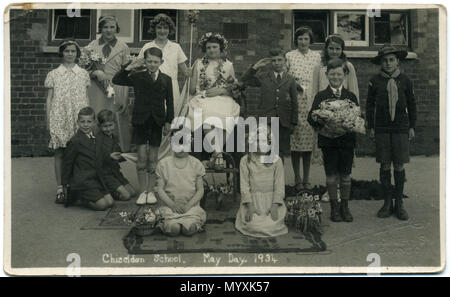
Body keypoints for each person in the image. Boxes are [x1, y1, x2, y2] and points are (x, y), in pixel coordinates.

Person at [112, 47, 174, 206]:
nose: (152, 64)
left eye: (156, 62)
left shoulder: (166, 79)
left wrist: (168, 122)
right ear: (144, 61)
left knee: (153, 158)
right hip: (140, 121)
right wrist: (129, 67)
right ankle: (142, 192)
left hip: (156, 122)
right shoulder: (137, 76)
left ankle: (151, 191)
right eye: (149, 61)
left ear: (161, 62)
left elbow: (170, 103)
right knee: (141, 159)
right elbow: (117, 79)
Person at [366, 44, 416, 221]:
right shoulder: (375, 81)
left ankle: (399, 203)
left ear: (398, 61)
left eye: (391, 60)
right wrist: (370, 127)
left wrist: (412, 127)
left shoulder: (405, 80)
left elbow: (412, 104)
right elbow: (369, 105)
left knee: (399, 164)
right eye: (384, 61)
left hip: (401, 127)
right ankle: (387, 202)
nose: (388, 63)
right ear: (380, 63)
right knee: (385, 164)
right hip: (382, 128)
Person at [308, 58, 359, 223]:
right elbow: (311, 118)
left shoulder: (350, 96)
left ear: (344, 75)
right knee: (330, 176)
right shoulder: (321, 96)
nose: (336, 77)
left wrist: (352, 121)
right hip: (328, 142)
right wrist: (319, 119)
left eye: (339, 74)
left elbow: (358, 117)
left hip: (346, 142)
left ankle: (345, 206)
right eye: (332, 74)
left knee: (345, 176)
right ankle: (334, 207)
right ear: (327, 75)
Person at [45, 39, 90, 204]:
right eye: (67, 51)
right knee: (60, 153)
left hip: (78, 118)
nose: (70, 54)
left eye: (73, 51)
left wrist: (88, 118)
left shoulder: (83, 74)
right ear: (61, 53)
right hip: (60, 116)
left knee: (78, 152)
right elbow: (49, 99)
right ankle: (60, 189)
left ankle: (75, 187)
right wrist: (49, 120)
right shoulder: (53, 75)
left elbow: (86, 98)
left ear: (77, 54)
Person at [187, 32, 240, 168]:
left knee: (226, 112)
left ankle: (217, 154)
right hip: (203, 97)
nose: (212, 50)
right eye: (209, 47)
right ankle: (219, 154)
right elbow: (192, 90)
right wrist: (190, 75)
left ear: (221, 49)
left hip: (223, 97)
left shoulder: (228, 65)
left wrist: (222, 90)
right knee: (206, 112)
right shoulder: (198, 64)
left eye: (215, 47)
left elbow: (234, 88)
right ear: (205, 49)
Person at [240, 48, 298, 161]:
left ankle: (278, 176)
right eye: (273, 60)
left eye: (279, 60)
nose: (277, 63)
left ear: (285, 61)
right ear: (270, 62)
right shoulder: (264, 77)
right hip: (267, 119)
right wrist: (255, 67)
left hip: (283, 120)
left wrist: (293, 122)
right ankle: (266, 176)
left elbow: (294, 102)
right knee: (266, 149)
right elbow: (243, 80)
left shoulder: (290, 79)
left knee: (280, 152)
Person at [87, 15, 132, 152]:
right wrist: (95, 73)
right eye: (105, 27)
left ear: (116, 28)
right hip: (96, 88)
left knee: (115, 117)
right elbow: (84, 71)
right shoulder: (91, 47)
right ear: (100, 28)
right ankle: (94, 148)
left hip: (116, 87)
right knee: (97, 115)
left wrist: (125, 95)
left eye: (112, 27)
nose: (108, 30)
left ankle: (116, 149)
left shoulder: (123, 47)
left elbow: (127, 73)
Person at [286, 26, 322, 191]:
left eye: (306, 39)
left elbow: (320, 77)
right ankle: (297, 177)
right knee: (296, 142)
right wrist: (294, 86)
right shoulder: (289, 56)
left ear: (310, 40)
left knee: (308, 143)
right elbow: (286, 76)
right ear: (296, 40)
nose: (303, 42)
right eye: (300, 38)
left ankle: (307, 178)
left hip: (311, 99)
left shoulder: (317, 56)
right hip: (295, 99)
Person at [235, 126, 288, 238]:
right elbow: (244, 186)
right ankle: (253, 221)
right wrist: (250, 206)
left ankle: (270, 222)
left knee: (272, 225)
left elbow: (279, 185)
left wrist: (274, 206)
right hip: (253, 202)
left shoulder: (277, 160)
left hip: (271, 201)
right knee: (253, 225)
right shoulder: (245, 160)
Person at [61, 107, 115, 211]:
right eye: (82, 122)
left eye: (89, 122)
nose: (86, 125)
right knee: (102, 205)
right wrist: (64, 184)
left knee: (111, 202)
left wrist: (110, 156)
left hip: (95, 179)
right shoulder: (75, 141)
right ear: (78, 122)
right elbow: (67, 164)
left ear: (94, 123)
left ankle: (92, 195)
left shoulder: (96, 138)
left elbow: (99, 156)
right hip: (83, 181)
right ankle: (80, 197)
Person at [155, 128, 206, 236]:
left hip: (190, 207)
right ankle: (171, 224)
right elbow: (160, 189)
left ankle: (192, 223)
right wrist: (172, 205)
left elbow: (200, 190)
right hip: (170, 207)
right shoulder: (164, 164)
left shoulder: (196, 163)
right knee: (174, 229)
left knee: (189, 229)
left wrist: (189, 205)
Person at [138, 13, 190, 117]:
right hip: (152, 87)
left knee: (170, 119)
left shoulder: (176, 47)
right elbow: (139, 68)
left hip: (171, 88)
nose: (162, 31)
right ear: (154, 29)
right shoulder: (147, 46)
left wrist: (196, 68)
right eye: (159, 27)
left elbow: (186, 72)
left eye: (165, 27)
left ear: (170, 29)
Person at [97, 109, 136, 201]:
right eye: (105, 126)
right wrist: (109, 156)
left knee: (132, 192)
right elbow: (96, 157)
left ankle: (114, 189)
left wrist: (128, 155)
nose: (108, 129)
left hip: (115, 172)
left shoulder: (114, 137)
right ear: (99, 126)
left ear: (114, 124)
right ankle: (108, 191)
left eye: (110, 125)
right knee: (126, 196)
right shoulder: (98, 139)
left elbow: (119, 155)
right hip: (105, 174)